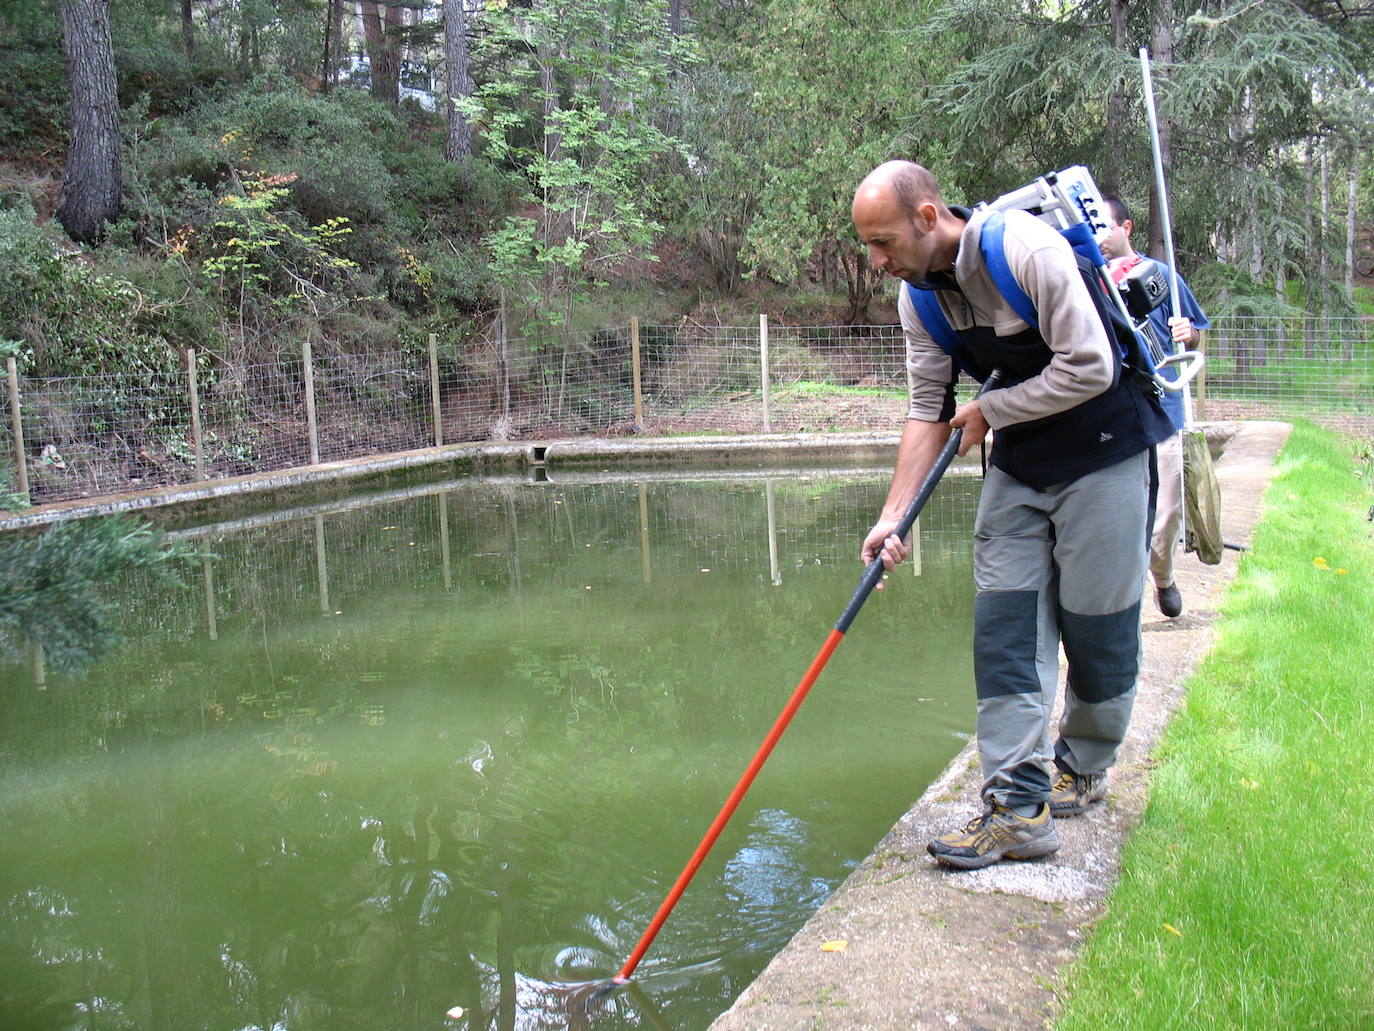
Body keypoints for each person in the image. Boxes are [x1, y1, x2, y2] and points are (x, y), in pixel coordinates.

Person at [850, 161, 1176, 869]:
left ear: (928, 218)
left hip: (1106, 450)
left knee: (1097, 629)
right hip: (1020, 466)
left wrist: (992, 410)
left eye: (883, 242)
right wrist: (893, 516)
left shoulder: (1025, 249)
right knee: (1005, 632)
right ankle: (1017, 809)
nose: (876, 261)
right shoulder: (919, 300)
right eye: (868, 246)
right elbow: (928, 410)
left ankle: (1083, 765)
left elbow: (1090, 366)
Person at [1099, 196, 1210, 619]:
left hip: (1164, 408)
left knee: (1167, 510)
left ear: (1126, 228)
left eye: (1105, 227)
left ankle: (1162, 577)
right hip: (1113, 415)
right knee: (1117, 514)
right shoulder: (1089, 281)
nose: (1099, 237)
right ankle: (1126, 600)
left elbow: (1195, 333)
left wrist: (1187, 332)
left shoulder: (1160, 276)